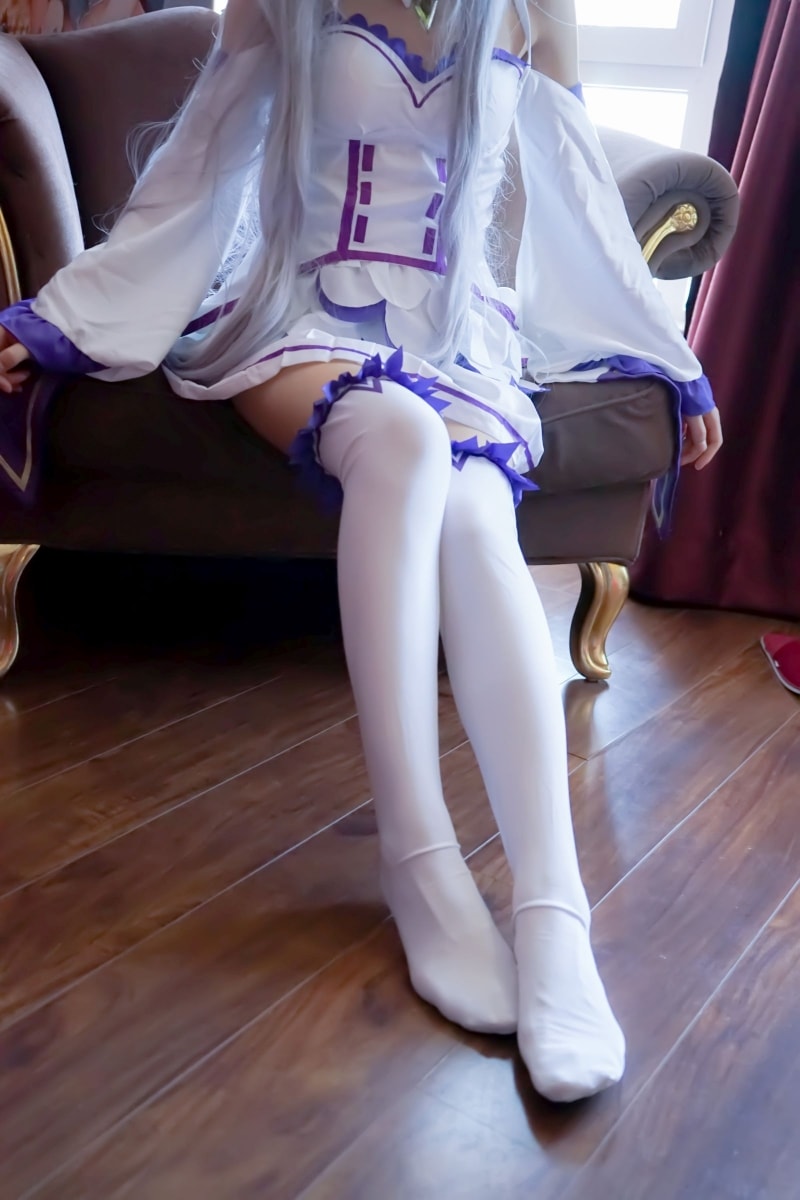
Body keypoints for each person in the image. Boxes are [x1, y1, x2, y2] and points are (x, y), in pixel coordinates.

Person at [0, 0, 723, 1102]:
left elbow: (573, 190)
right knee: (402, 442)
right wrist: (69, 316)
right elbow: (200, 164)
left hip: (456, 335)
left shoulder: (531, 6)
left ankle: (552, 909)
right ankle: (417, 857)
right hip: (298, 312)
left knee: (476, 512)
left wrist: (662, 350)